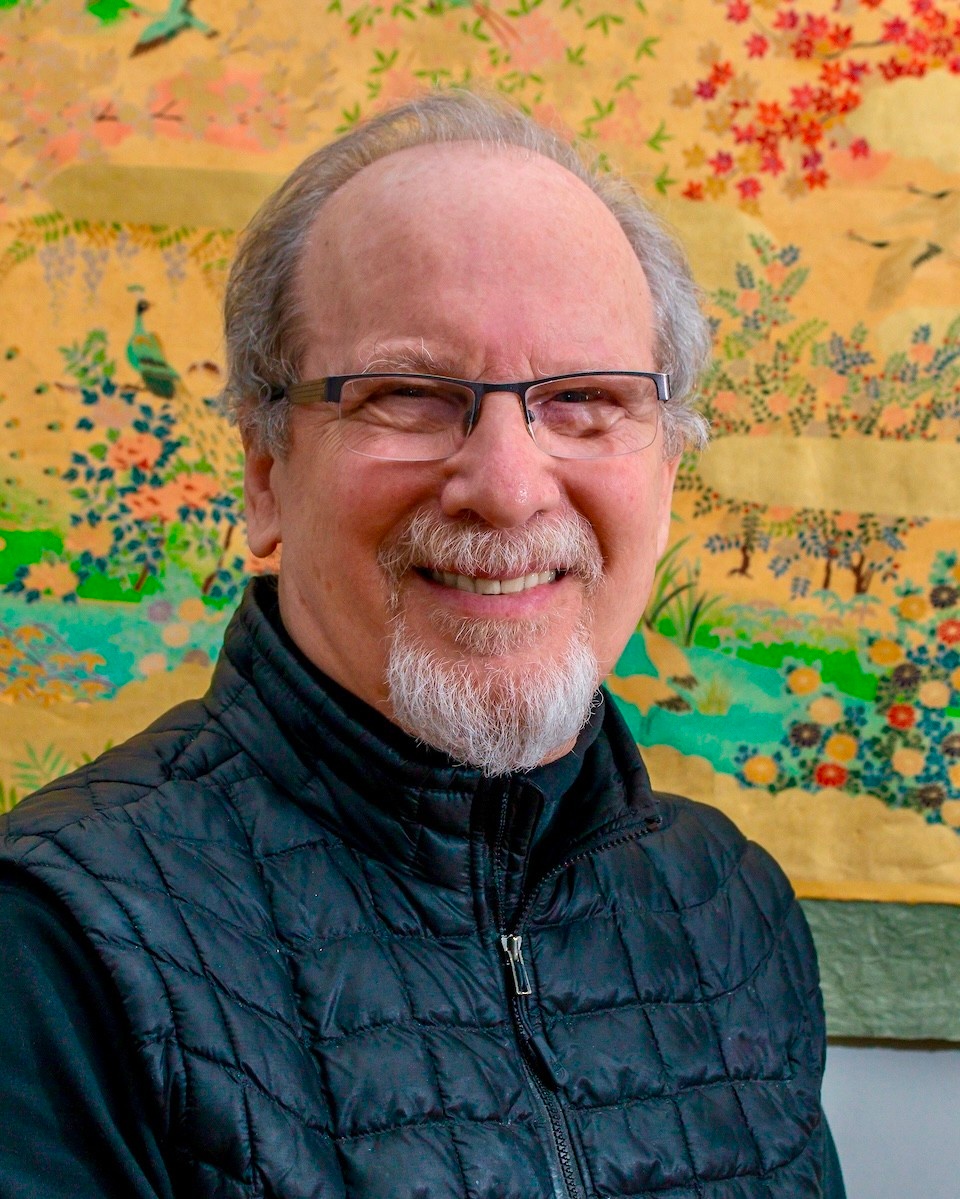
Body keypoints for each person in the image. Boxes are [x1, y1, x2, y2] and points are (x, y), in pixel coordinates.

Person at [0, 90, 844, 1198]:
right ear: (266, 471)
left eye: (587, 399)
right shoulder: (57, 949)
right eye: (409, 394)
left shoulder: (732, 907)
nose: (506, 486)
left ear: (667, 473)